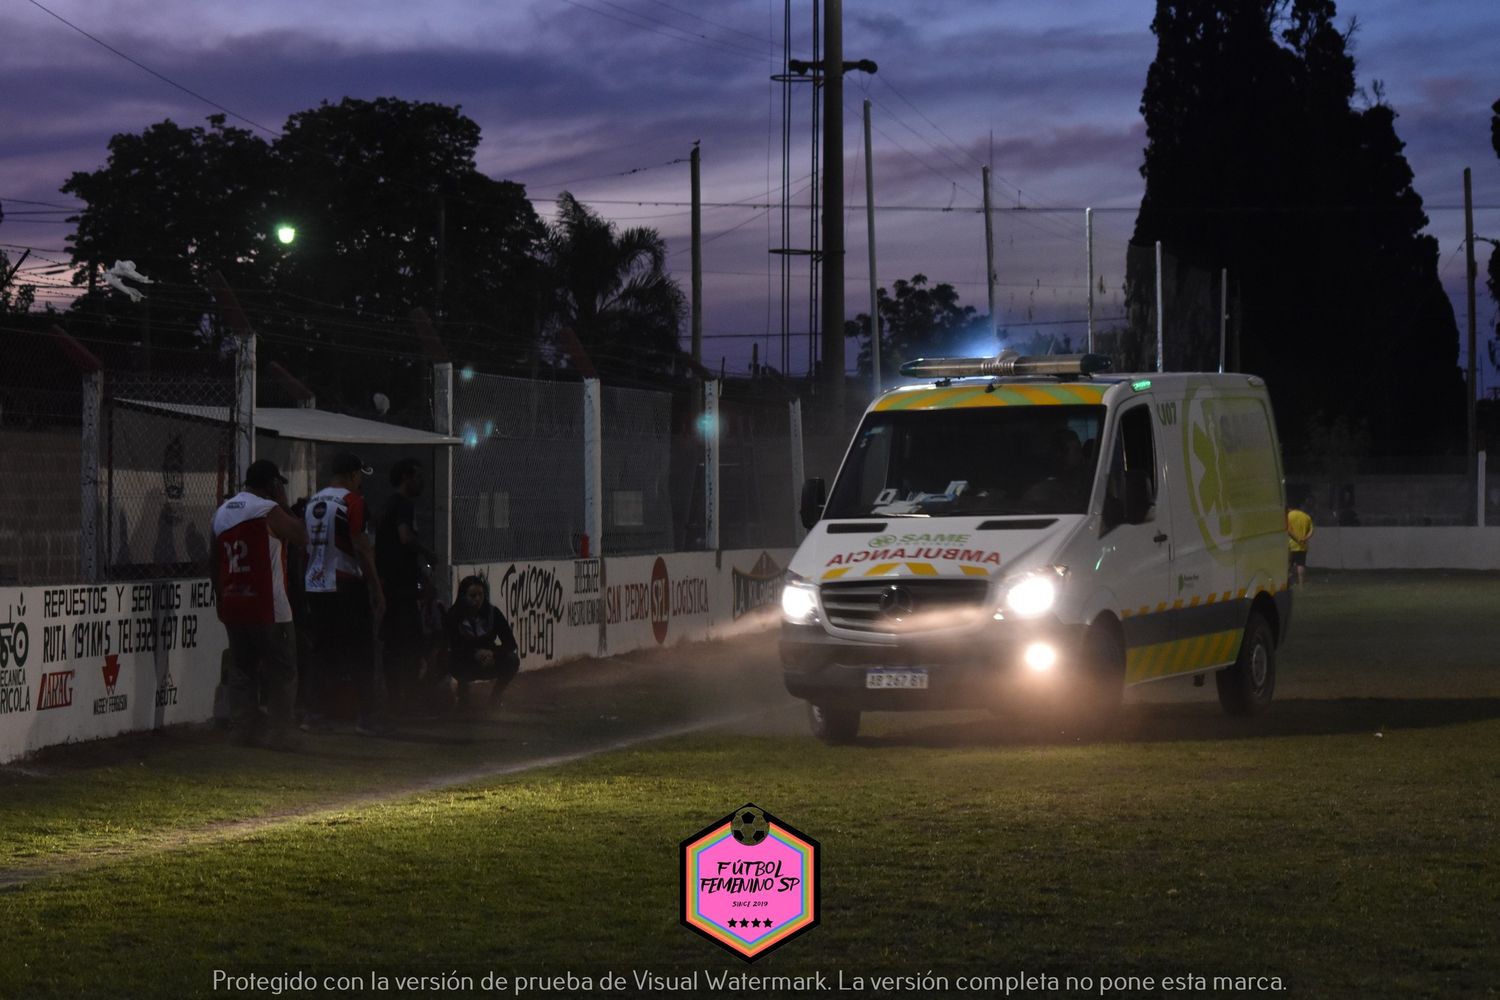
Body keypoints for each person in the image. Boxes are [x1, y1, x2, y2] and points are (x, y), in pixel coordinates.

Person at [211, 459, 308, 749]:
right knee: (283, 669)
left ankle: (242, 730)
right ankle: (279, 732)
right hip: (269, 606)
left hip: (234, 601)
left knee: (243, 669)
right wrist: (283, 502)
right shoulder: (267, 509)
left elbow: (214, 562)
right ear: (271, 484)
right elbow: (302, 535)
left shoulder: (222, 512)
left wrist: (220, 599)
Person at [303, 451, 388, 734]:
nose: (360, 481)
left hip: (315, 584)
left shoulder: (314, 500)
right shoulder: (353, 501)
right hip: (345, 582)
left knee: (323, 651)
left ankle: (315, 713)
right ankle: (367, 718)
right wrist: (376, 586)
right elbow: (361, 546)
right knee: (362, 651)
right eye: (359, 476)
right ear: (352, 475)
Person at [376, 457, 437, 714]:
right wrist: (426, 552)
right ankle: (405, 698)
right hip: (400, 588)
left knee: (396, 642)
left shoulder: (392, 504)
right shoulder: (403, 505)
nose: (421, 482)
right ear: (405, 478)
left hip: (393, 584)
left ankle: (397, 697)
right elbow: (404, 537)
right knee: (409, 643)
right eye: (417, 476)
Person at [443, 575, 520, 713]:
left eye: (480, 595)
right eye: (472, 595)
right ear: (463, 596)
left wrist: (493, 653)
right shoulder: (453, 616)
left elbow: (511, 643)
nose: (477, 599)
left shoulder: (493, 613)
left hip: (488, 661)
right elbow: (453, 646)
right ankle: (461, 697)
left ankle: (496, 696)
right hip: (465, 663)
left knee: (512, 660)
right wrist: (474, 654)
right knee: (446, 660)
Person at [1287, 499, 1314, 587]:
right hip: (1303, 545)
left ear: (1289, 507)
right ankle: (1301, 584)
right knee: (1301, 564)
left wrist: (1296, 539)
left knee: (1288, 565)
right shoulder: (1306, 516)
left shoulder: (1288, 516)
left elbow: (1288, 530)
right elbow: (1312, 530)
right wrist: (1305, 538)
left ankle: (1288, 583)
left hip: (1290, 544)